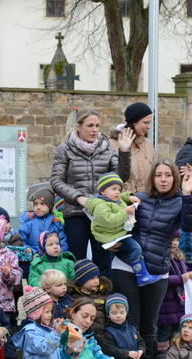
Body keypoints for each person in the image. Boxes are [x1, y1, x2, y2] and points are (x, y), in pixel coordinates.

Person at [110, 160, 192, 359]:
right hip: (127, 265)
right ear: (152, 178)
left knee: (149, 326)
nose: (163, 179)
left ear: (174, 179)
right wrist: (115, 239)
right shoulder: (139, 198)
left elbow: (191, 226)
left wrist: (188, 195)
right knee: (130, 322)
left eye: (168, 175)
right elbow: (115, 220)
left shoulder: (180, 201)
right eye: (158, 175)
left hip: (157, 269)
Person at [50, 109, 131, 272]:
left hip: (103, 212)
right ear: (78, 127)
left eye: (97, 126)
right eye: (90, 125)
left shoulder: (106, 148)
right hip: (76, 212)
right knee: (77, 260)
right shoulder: (65, 149)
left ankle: (102, 295)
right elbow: (56, 181)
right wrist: (79, 198)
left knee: (103, 261)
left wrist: (124, 152)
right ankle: (77, 296)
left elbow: (120, 177)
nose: (95, 130)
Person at [86, 173, 161, 286]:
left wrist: (129, 196)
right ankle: (141, 275)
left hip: (118, 232)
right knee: (135, 248)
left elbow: (121, 197)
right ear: (102, 192)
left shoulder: (115, 199)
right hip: (110, 236)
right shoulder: (100, 206)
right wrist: (125, 212)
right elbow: (109, 221)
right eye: (114, 189)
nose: (117, 192)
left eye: (119, 189)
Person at [110, 102, 154, 194]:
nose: (149, 127)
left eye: (149, 123)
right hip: (123, 202)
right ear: (134, 122)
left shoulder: (149, 145)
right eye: (145, 122)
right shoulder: (112, 144)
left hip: (146, 201)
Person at [18, 187, 68, 256]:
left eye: (42, 204)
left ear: (50, 205)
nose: (38, 207)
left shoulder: (55, 223)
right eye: (36, 204)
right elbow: (20, 240)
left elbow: (63, 243)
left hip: (53, 259)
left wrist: (61, 255)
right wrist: (31, 252)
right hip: (34, 259)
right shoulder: (29, 223)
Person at [68, 259, 111, 333]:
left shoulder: (102, 295)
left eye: (97, 277)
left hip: (103, 333)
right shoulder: (74, 298)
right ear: (82, 280)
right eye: (92, 278)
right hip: (84, 332)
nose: (96, 281)